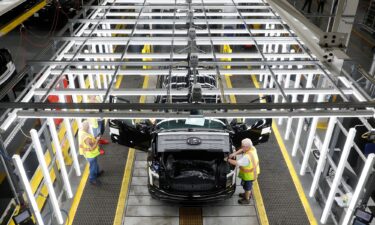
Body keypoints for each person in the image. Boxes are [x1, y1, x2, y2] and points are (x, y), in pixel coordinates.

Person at [227, 138, 260, 205]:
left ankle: (246, 199)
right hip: (253, 172)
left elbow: (237, 163)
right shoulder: (252, 148)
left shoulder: (247, 157)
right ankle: (246, 194)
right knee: (247, 186)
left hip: (249, 176)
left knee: (247, 187)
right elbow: (242, 150)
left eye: (242, 146)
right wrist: (234, 154)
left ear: (247, 147)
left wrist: (228, 160)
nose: (241, 147)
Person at [79, 120, 104, 186]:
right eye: (89, 127)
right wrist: (97, 140)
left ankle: (97, 173)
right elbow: (92, 147)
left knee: (95, 164)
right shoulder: (87, 138)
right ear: (87, 127)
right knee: (93, 166)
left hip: (88, 153)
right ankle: (92, 179)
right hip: (91, 154)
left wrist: (94, 139)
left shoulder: (81, 132)